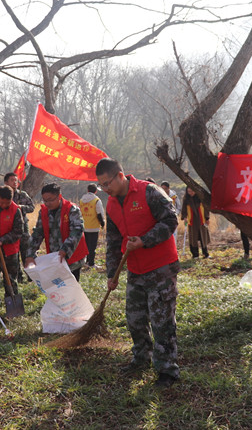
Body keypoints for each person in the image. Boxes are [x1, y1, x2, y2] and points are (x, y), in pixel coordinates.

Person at [96, 158, 180, 388]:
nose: (105, 189)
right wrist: (112, 274)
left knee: (161, 319)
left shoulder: (149, 192)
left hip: (161, 267)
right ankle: (141, 357)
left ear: (120, 176)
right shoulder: (112, 204)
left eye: (107, 183)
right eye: (101, 185)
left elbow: (171, 220)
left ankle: (167, 369)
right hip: (135, 269)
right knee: (135, 319)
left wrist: (144, 241)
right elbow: (113, 242)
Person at [24, 182, 88, 282]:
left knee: (71, 286)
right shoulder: (44, 211)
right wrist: (30, 254)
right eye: (45, 200)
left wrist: (65, 250)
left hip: (72, 256)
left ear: (59, 196)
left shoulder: (71, 209)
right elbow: (38, 233)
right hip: (55, 257)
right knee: (59, 288)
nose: (47, 203)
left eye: (50, 200)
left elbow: (77, 230)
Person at [0, 185, 23, 313]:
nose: (4, 205)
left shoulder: (16, 210)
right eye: (1, 202)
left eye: (7, 203)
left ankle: (13, 310)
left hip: (9, 253)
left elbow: (18, 231)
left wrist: (3, 240)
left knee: (10, 280)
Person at [4, 172, 34, 282]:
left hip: (23, 228)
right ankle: (18, 277)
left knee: (26, 252)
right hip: (9, 229)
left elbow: (32, 207)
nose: (15, 182)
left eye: (16, 180)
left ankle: (31, 277)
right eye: (12, 180)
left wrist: (21, 207)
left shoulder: (22, 195)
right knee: (13, 254)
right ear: (6, 182)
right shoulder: (3, 195)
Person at [79, 183, 105, 267]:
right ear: (96, 191)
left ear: (87, 190)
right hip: (93, 227)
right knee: (92, 246)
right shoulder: (96, 200)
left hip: (84, 226)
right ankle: (91, 263)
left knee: (86, 245)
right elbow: (99, 214)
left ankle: (86, 262)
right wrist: (102, 223)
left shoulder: (81, 200)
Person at [181, 186, 210, 259]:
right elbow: (184, 210)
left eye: (192, 191)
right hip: (192, 220)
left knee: (203, 237)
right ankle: (195, 254)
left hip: (201, 220)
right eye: (189, 192)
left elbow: (206, 208)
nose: (190, 193)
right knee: (193, 238)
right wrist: (185, 218)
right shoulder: (186, 200)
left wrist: (207, 218)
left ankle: (205, 254)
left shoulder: (200, 198)